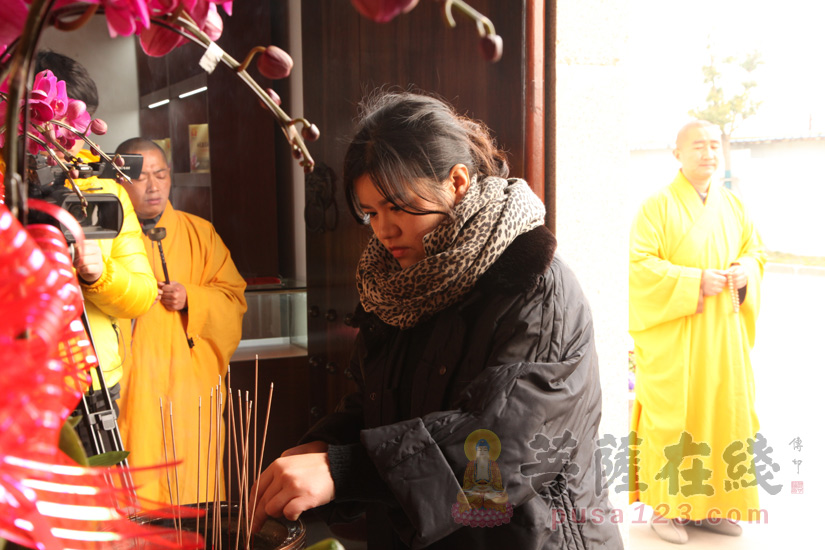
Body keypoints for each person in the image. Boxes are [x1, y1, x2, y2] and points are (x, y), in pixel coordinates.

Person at [251, 91, 622, 549]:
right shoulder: (395, 284)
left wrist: (347, 470)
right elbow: (374, 404)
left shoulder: (534, 283)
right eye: (371, 213)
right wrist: (325, 446)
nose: (385, 230)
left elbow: (507, 443)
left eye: (399, 206)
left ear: (458, 181)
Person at [628, 120, 765, 544]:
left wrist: (746, 271)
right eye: (698, 146)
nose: (709, 153)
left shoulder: (735, 206)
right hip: (676, 337)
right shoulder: (657, 206)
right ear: (677, 154)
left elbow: (755, 252)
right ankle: (667, 510)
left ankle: (713, 506)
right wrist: (692, 283)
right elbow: (639, 266)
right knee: (674, 418)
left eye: (713, 147)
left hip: (723, 335)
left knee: (723, 415)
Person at [113, 137, 247, 505]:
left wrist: (193, 298)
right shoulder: (105, 241)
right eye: (141, 177)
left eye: (161, 174)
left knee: (193, 489)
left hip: (190, 394)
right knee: (133, 490)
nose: (153, 186)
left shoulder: (199, 233)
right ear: (119, 180)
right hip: (133, 389)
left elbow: (234, 300)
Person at [34, 51, 157, 449]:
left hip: (93, 383)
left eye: (77, 124)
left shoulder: (106, 190)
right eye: (55, 122)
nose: (67, 137)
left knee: (94, 504)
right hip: (17, 382)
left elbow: (142, 294)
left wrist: (97, 274)